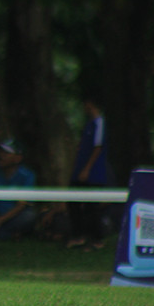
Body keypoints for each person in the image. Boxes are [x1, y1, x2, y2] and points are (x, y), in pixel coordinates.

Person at [65, 96, 109, 250]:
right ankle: (79, 236)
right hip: (81, 171)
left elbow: (98, 147)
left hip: (92, 173)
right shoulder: (89, 124)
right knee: (74, 202)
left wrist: (87, 169)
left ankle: (97, 239)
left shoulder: (100, 123)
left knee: (92, 206)